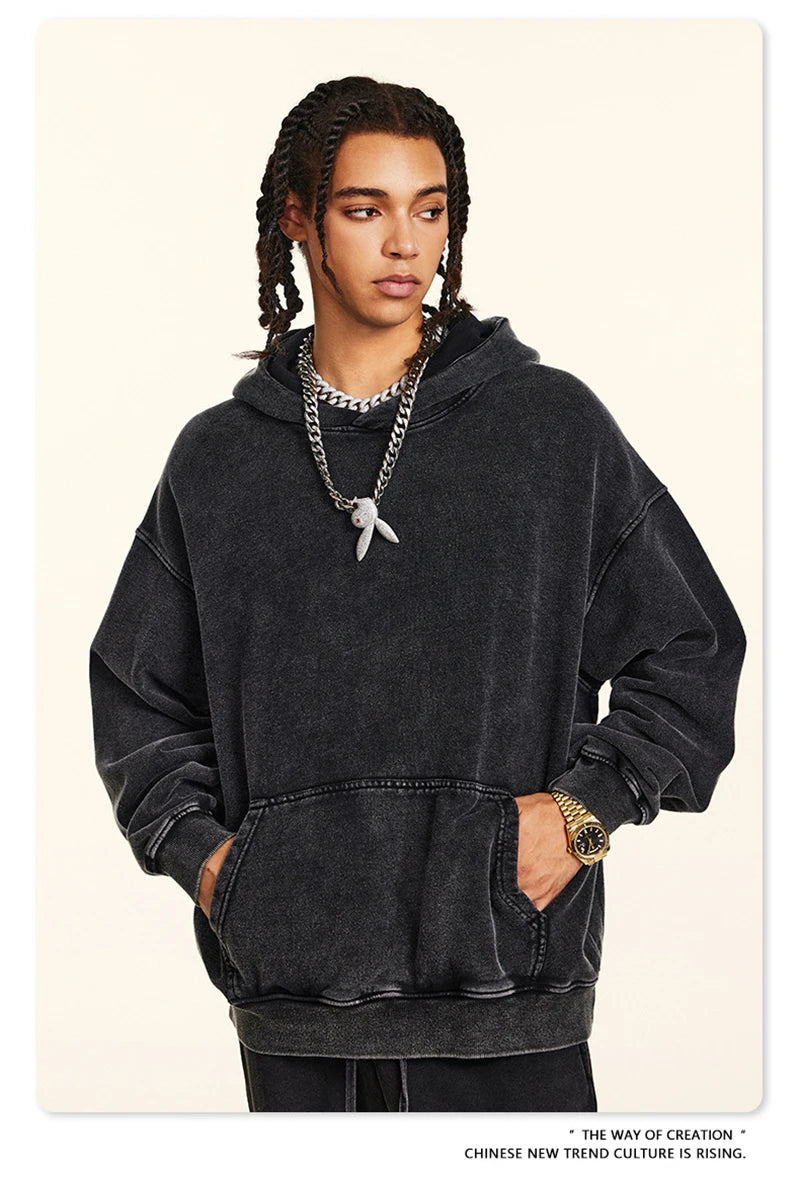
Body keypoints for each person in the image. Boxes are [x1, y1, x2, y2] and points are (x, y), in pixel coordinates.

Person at [89, 76, 747, 1114]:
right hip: (294, 1014)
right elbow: (138, 700)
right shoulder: (217, 462)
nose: (406, 244)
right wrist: (220, 870)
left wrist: (581, 819)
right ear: (299, 220)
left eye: (430, 209)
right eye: (366, 209)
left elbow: (692, 651)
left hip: (509, 1003)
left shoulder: (548, 429)